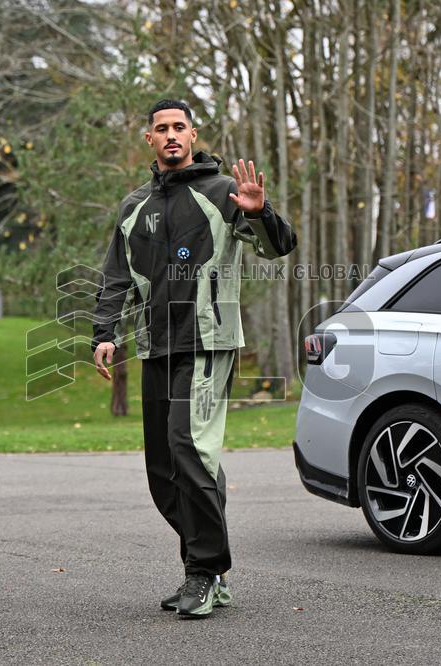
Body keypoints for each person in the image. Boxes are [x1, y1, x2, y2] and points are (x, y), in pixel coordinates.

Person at [92, 100, 296, 618]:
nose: (171, 135)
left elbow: (278, 248)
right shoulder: (133, 205)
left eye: (179, 126)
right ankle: (211, 568)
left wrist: (259, 213)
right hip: (156, 345)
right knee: (163, 471)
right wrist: (104, 332)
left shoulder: (222, 192)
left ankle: (203, 572)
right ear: (149, 139)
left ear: (193, 133)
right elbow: (116, 277)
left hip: (207, 342)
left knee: (190, 449)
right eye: (161, 128)